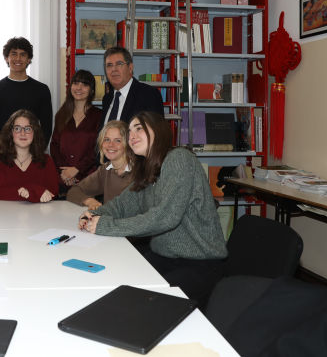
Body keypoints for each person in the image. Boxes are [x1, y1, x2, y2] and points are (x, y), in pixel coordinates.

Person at [78, 111, 227, 305]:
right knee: (114, 280)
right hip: (163, 257)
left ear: (158, 130)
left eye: (139, 128)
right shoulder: (148, 169)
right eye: (129, 131)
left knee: (141, 303)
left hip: (199, 263)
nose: (132, 136)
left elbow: (165, 217)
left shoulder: (179, 158)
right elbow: (122, 205)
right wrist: (93, 214)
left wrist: (106, 225)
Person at [0, 37, 53, 148]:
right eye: (14, 54)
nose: (18, 58)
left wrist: (36, 151)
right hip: (3, 152)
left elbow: (46, 128)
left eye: (23, 54)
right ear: (6, 58)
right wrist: (2, 149)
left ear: (29, 59)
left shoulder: (41, 90)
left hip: (32, 153)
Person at [0, 109, 58, 202]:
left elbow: (52, 191)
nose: (23, 133)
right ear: (10, 132)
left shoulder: (46, 160)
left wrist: (28, 192)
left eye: (28, 129)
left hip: (39, 211)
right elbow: (0, 193)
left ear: (35, 133)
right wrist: (34, 191)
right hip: (6, 211)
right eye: (17, 128)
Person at [50, 69, 102, 195]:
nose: (79, 88)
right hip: (63, 179)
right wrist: (65, 172)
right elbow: (54, 146)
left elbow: (98, 148)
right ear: (70, 87)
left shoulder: (99, 116)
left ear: (91, 90)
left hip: (88, 179)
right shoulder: (61, 115)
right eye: (76, 83)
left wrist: (77, 169)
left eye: (85, 84)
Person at [67, 120, 133, 210]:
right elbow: (74, 191)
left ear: (128, 144)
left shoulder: (140, 171)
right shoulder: (105, 170)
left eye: (118, 140)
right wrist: (90, 201)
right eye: (107, 139)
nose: (111, 145)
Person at [100, 46, 164, 128]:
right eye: (109, 65)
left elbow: (157, 131)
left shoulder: (149, 95)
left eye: (119, 64)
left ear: (130, 68)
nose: (114, 69)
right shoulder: (107, 99)